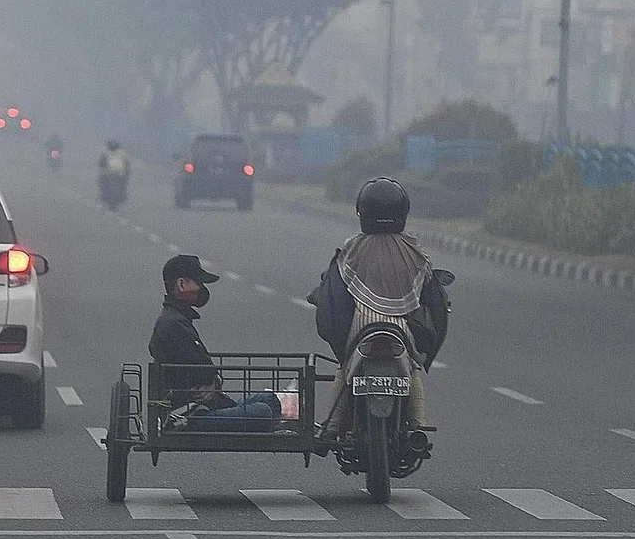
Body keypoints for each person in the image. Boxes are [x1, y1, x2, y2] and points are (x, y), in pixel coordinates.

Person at [307, 177, 450, 441]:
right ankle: (418, 428)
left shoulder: (350, 249)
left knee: (345, 369)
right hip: (401, 330)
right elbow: (431, 294)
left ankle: (332, 427)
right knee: (413, 371)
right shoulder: (416, 252)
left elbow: (334, 291)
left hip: (360, 327)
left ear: (362, 212)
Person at [148, 254, 281, 432]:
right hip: (189, 415)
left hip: (205, 404)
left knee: (269, 400)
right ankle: (264, 431)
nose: (201, 289)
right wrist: (213, 380)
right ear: (181, 284)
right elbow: (203, 372)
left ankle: (266, 427)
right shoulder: (174, 325)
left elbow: (204, 372)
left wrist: (213, 382)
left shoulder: (175, 319)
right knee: (262, 412)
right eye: (198, 282)